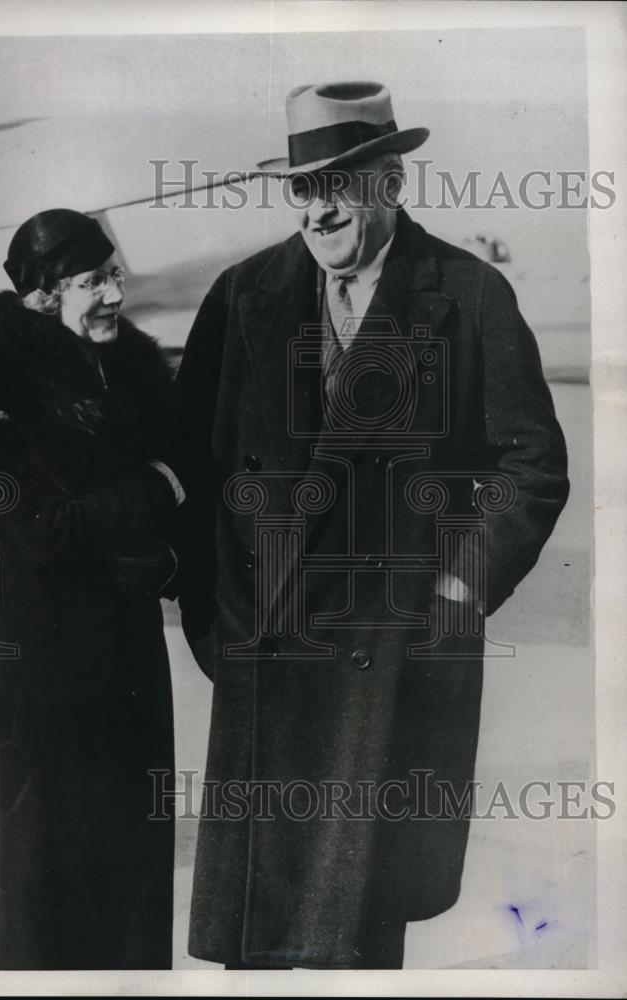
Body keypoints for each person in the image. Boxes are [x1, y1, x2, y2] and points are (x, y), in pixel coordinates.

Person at [176, 81, 569, 969]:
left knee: (352, 940)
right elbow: (192, 473)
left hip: (386, 667)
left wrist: (458, 589)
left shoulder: (466, 296)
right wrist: (217, 626)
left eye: (337, 187)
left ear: (389, 184)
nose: (317, 211)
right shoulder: (245, 296)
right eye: (302, 188)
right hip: (268, 664)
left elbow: (530, 464)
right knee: (264, 941)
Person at [0, 208, 182, 970]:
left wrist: (168, 554)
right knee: (51, 886)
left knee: (133, 875)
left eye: (114, 275)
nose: (114, 294)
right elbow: (42, 528)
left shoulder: (130, 371)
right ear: (43, 297)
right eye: (91, 281)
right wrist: (151, 487)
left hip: (133, 669)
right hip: (49, 680)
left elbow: (185, 490)